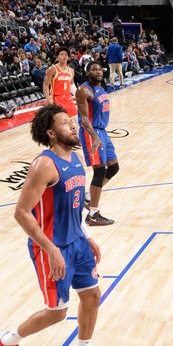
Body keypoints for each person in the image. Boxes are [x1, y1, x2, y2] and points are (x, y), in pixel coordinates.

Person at [0, 104, 115, 346]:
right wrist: (52, 250)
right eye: (64, 123)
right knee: (57, 312)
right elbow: (21, 213)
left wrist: (88, 236)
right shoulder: (44, 165)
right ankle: (7, 341)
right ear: (50, 133)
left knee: (92, 296)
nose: (72, 125)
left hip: (77, 243)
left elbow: (75, 207)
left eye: (71, 121)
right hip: (51, 247)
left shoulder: (76, 160)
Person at [76, 62, 118, 225]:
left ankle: (88, 196)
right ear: (87, 73)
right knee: (99, 172)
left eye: (100, 69)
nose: (98, 72)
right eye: (93, 69)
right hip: (90, 133)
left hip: (102, 132)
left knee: (113, 168)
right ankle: (93, 213)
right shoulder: (84, 91)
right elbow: (84, 118)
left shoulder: (102, 87)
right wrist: (94, 136)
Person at [43, 48, 76, 115]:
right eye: (62, 54)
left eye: (66, 54)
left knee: (74, 121)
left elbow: (72, 85)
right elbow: (45, 85)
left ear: (68, 57)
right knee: (60, 122)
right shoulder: (52, 69)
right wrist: (48, 98)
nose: (64, 56)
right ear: (57, 57)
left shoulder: (71, 71)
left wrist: (78, 96)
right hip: (56, 99)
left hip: (68, 98)